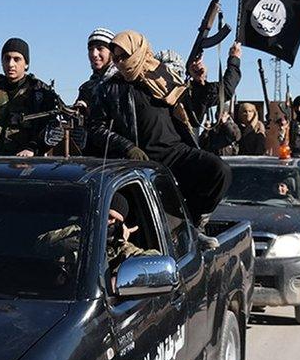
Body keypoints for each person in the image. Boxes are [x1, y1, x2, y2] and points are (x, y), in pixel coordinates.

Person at [87, 30, 232, 229]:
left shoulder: (163, 76)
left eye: (125, 56)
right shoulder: (109, 89)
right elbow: (96, 128)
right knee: (160, 227)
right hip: (143, 160)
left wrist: (199, 82)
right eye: (117, 58)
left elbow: (194, 115)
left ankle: (195, 223)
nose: (121, 62)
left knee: (219, 171)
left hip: (176, 153)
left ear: (138, 52)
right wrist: (128, 147)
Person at [0, 38, 62, 156]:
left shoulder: (40, 91)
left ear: (26, 64)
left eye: (17, 59)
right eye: (7, 59)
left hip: (20, 164)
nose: (11, 64)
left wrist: (33, 148)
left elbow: (54, 130)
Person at [76, 27, 117, 110]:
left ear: (112, 52)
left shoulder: (122, 83)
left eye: (100, 48)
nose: (94, 54)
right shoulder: (87, 88)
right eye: (90, 49)